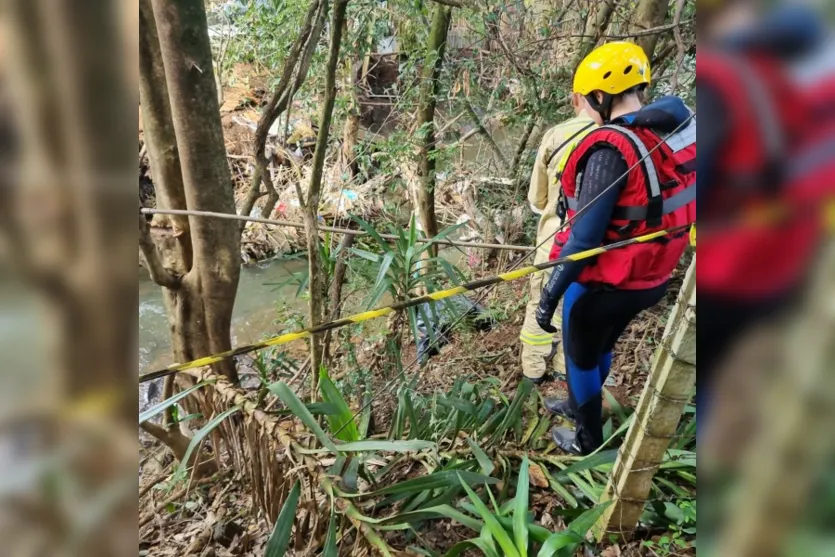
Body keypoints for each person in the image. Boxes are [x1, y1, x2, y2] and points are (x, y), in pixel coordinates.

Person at [534, 42, 696, 455]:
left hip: (607, 284)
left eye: (588, 100)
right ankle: (580, 404)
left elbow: (584, 240)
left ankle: (587, 440)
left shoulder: (608, 150)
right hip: (653, 278)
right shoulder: (670, 130)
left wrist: (548, 298)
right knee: (601, 345)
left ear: (600, 96)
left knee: (580, 357)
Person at [520, 97, 595, 384]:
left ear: (577, 98)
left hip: (553, 245)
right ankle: (566, 367)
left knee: (541, 302)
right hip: (598, 248)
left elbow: (536, 200)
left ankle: (534, 370)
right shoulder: (622, 136)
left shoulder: (557, 135)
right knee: (579, 304)